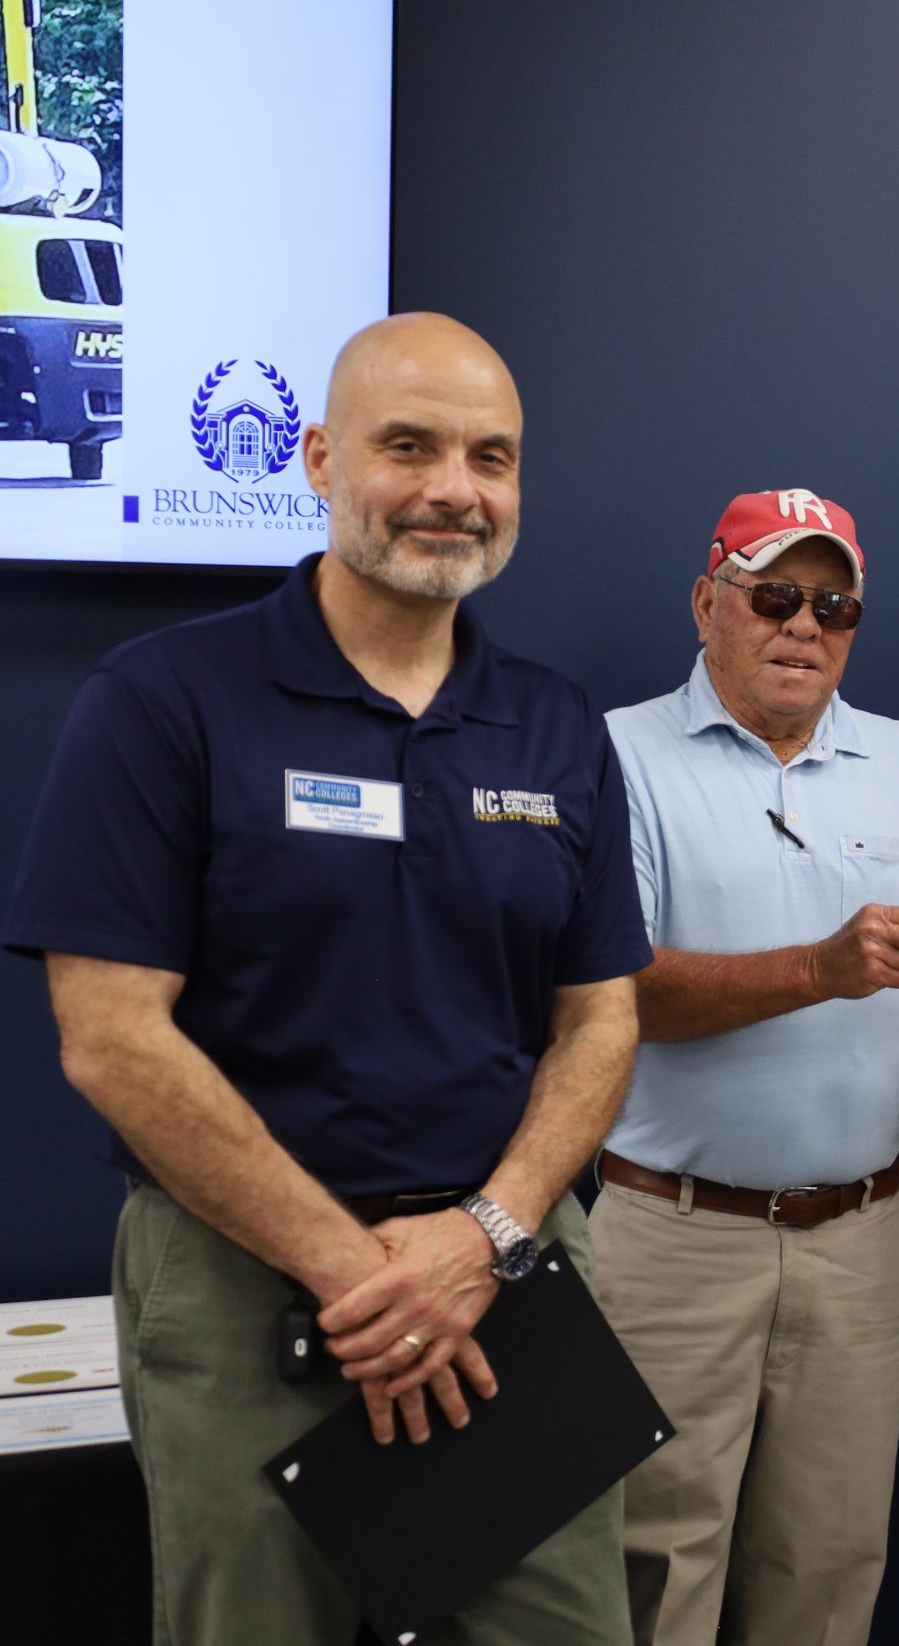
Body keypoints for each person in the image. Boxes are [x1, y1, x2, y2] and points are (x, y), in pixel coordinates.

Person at [0, 313, 651, 1645]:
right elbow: (110, 1035)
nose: (451, 489)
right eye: (407, 445)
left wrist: (486, 1234)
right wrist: (361, 1271)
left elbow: (601, 1017)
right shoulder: (166, 698)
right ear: (315, 456)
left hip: (506, 1285)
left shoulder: (555, 724)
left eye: (490, 455)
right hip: (252, 1285)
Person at [592, 488, 899, 1645]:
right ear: (708, 601)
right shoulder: (615, 754)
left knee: (828, 1572)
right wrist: (817, 967)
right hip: (672, 1240)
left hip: (861, 1236)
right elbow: (614, 995)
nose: (804, 625)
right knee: (652, 1575)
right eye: (773, 595)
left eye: (834, 604)